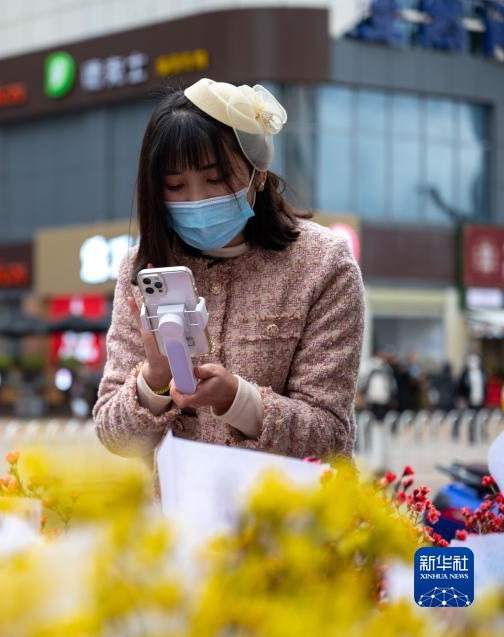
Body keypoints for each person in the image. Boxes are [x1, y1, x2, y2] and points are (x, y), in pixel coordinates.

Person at [93, 79, 363, 467]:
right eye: (175, 185)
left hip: (291, 523)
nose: (196, 199)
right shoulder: (143, 270)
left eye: (215, 178)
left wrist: (237, 399)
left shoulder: (323, 263)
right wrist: (153, 379)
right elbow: (112, 435)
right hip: (179, 523)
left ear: (259, 172)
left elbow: (331, 435)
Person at [361, 350, 397, 421]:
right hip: (376, 395)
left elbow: (391, 382)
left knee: (373, 415)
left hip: (376, 396)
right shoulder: (371, 366)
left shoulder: (385, 367)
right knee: (375, 415)